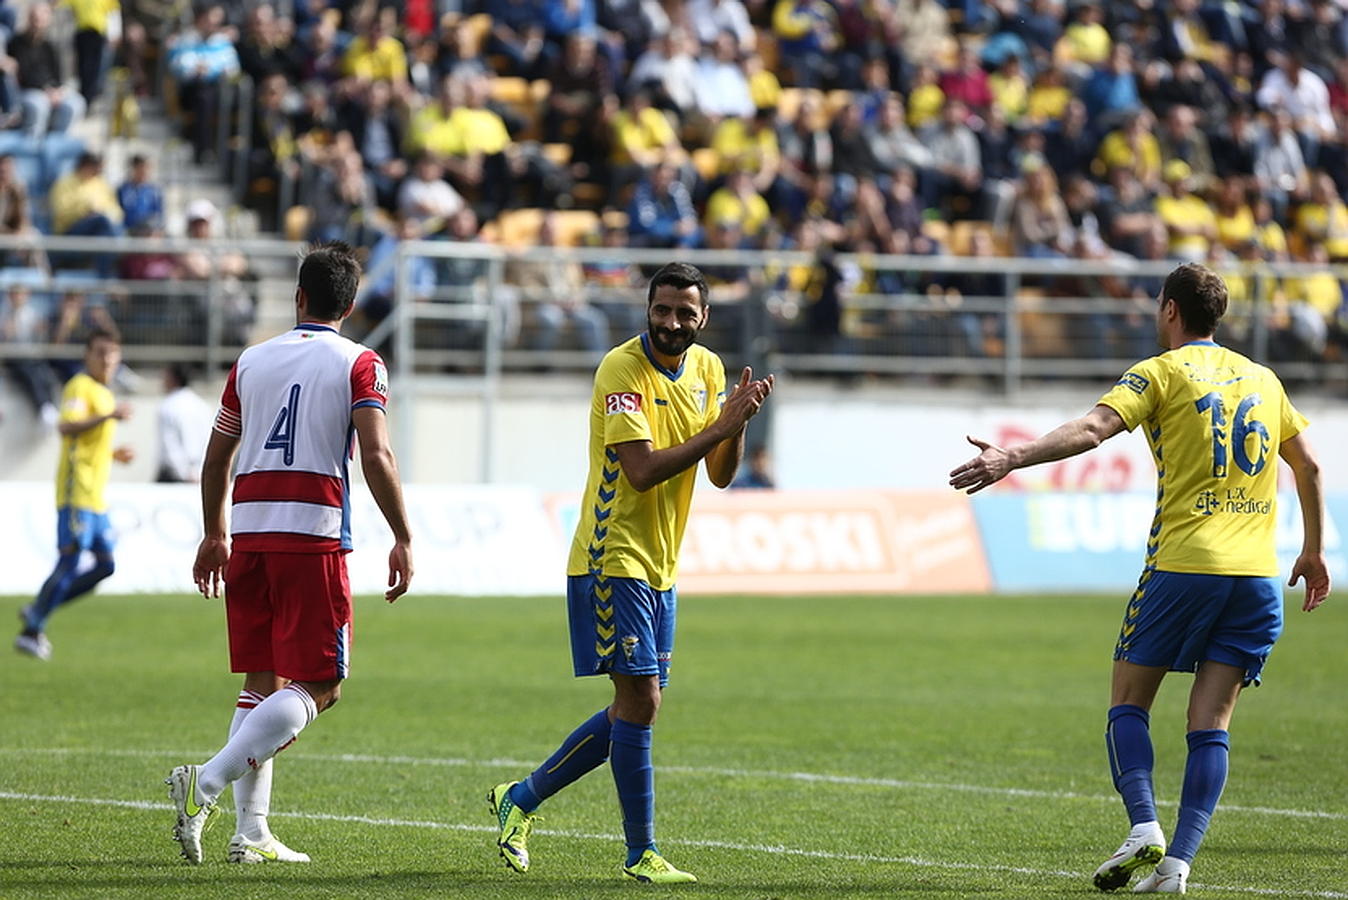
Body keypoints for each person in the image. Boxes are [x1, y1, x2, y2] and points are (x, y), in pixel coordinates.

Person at [949, 262, 1330, 894]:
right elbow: (1309, 465)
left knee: (1129, 701)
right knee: (1212, 721)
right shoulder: (1264, 380)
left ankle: (1145, 828)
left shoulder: (1160, 371)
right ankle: (1178, 865)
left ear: (1172, 311)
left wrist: (1013, 456)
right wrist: (1314, 550)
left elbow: (1096, 428)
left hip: (1184, 566)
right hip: (1258, 575)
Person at [488, 262, 774, 884]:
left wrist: (736, 427)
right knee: (641, 699)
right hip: (611, 553)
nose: (672, 323)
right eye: (662, 310)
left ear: (704, 318)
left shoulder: (708, 369)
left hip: (662, 563)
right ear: (648, 309)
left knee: (637, 707)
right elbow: (641, 470)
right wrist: (721, 425)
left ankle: (522, 798)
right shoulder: (622, 369)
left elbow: (721, 475)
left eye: (685, 313)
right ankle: (640, 852)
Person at [168, 242, 414, 866]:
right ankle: (207, 782)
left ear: (298, 297)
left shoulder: (250, 361)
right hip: (312, 536)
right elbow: (377, 453)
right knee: (324, 683)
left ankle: (250, 834)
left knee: (261, 683)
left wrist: (213, 533)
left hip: (248, 534)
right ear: (351, 304)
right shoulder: (361, 363)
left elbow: (216, 455)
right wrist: (404, 536)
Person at [15, 329, 135, 661]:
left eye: (112, 353)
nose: (107, 359)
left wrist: (113, 455)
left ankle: (37, 608)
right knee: (70, 559)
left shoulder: (104, 393)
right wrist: (109, 417)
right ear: (87, 355)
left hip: (96, 498)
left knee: (106, 565)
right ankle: (31, 630)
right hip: (75, 493)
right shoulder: (79, 387)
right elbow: (67, 427)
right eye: (100, 352)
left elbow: (89, 444)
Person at [155, 364, 213, 483]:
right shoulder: (202, 405)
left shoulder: (168, 406)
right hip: (200, 472)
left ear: (172, 378)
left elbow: (169, 445)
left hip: (174, 476)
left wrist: (185, 473)